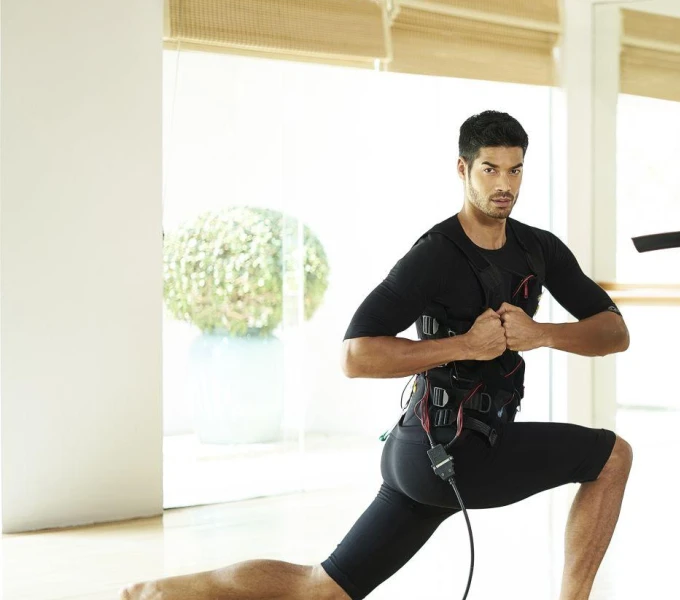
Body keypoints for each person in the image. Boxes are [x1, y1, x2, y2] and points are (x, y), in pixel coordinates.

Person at [122, 110, 633, 600]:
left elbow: (614, 331)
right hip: (449, 453)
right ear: (463, 169)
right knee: (611, 456)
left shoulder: (538, 248)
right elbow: (356, 355)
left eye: (515, 169)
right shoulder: (435, 254)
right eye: (490, 168)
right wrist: (465, 345)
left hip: (437, 450)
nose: (505, 184)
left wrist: (541, 332)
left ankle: (158, 593)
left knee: (323, 589)